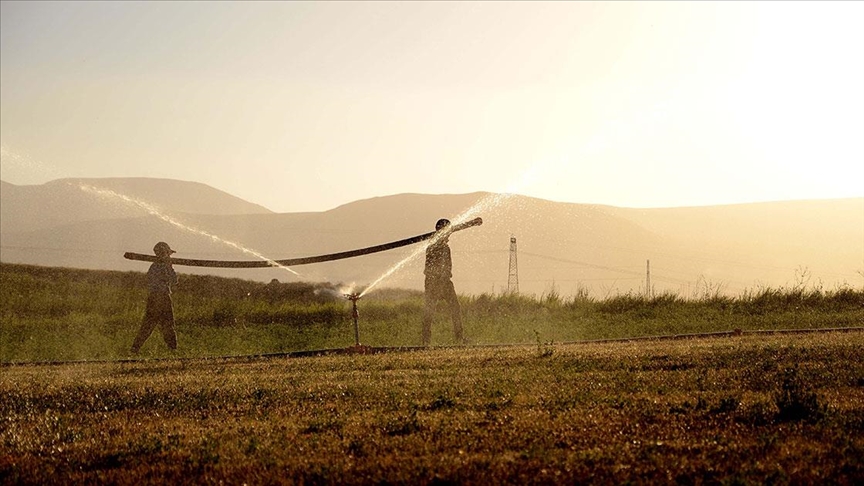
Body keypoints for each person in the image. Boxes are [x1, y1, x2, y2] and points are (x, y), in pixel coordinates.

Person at [422, 219, 465, 346]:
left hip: (444, 282)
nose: (449, 235)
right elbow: (431, 268)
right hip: (434, 283)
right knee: (429, 311)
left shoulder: (443, 247)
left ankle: (459, 338)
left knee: (455, 308)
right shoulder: (434, 247)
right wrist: (439, 280)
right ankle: (426, 341)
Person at [131, 241, 179, 354]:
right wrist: (170, 267)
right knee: (167, 324)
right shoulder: (163, 266)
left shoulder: (153, 267)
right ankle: (173, 349)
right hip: (162, 297)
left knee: (149, 324)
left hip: (154, 297)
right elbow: (174, 280)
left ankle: (135, 348)